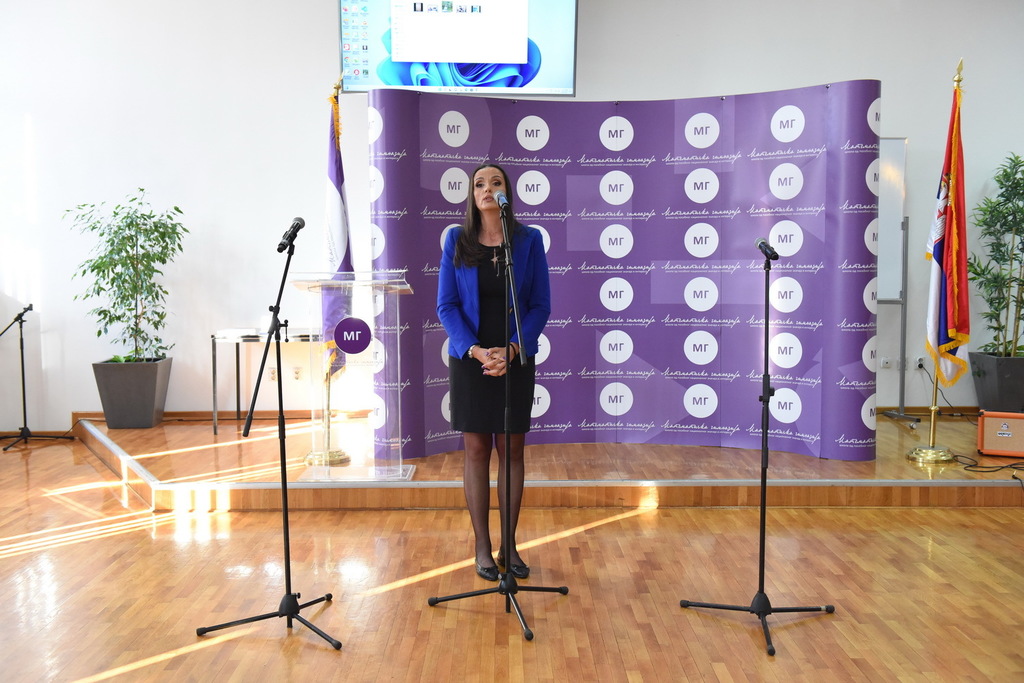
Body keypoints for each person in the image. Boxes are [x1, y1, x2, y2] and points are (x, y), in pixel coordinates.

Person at [436, 163, 551, 581]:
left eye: (495, 183)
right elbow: (447, 305)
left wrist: (514, 348)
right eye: (479, 184)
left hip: (515, 357)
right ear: (472, 195)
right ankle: (483, 548)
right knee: (476, 451)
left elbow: (540, 304)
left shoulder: (528, 240)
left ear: (507, 193)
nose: (487, 189)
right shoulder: (457, 240)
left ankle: (510, 545)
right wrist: (477, 351)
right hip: (472, 359)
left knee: (512, 451)